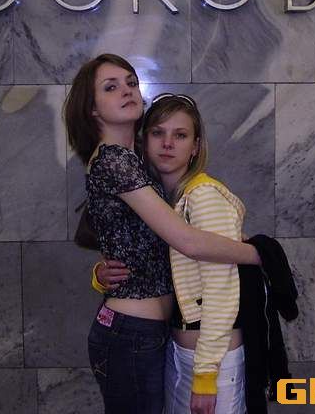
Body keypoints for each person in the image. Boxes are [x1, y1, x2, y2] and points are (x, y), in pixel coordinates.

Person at [64, 54, 260, 414]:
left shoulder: (135, 162)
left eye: (131, 82)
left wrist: (100, 273)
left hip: (145, 331)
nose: (126, 90)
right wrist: (260, 253)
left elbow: (129, 240)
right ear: (92, 108)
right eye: (111, 87)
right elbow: (186, 241)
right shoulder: (116, 161)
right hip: (132, 331)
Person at [96, 92, 247, 414]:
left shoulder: (203, 195)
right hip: (177, 352)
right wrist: (101, 275)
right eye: (158, 133)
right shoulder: (161, 201)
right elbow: (152, 262)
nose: (167, 144)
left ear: (195, 147)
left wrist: (205, 376)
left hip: (211, 361)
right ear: (144, 141)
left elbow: (222, 289)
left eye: (180, 135)